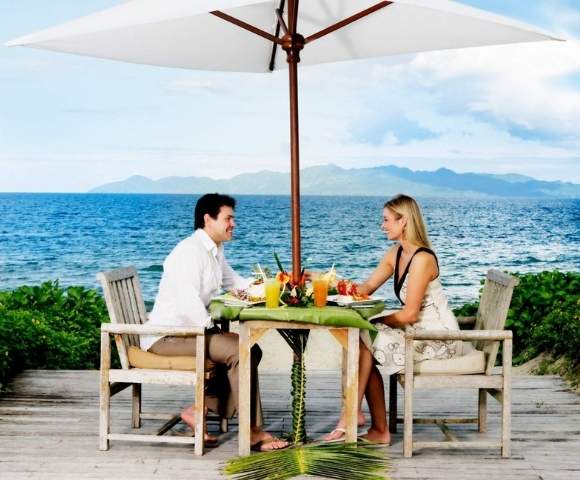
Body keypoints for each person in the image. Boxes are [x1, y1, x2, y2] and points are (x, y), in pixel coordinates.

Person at [140, 193, 288, 451]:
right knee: (240, 349)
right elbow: (188, 306)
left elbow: (237, 284)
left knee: (250, 348)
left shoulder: (214, 250)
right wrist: (214, 330)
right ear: (208, 219)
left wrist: (279, 285)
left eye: (233, 218)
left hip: (189, 333)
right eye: (228, 218)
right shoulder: (188, 252)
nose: (234, 224)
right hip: (167, 337)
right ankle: (252, 431)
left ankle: (200, 409)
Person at [324, 194, 462, 444]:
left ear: (404, 221)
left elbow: (410, 314)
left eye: (387, 220)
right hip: (415, 332)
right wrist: (328, 281)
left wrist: (376, 322)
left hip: (439, 338)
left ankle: (357, 416)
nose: (382, 225)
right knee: (362, 339)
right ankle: (370, 425)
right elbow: (365, 288)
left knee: (366, 337)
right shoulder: (396, 253)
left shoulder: (422, 259)